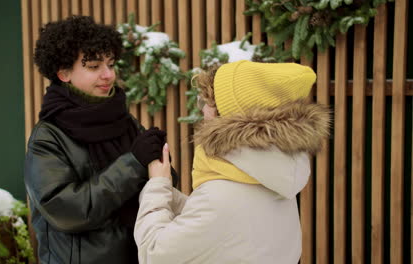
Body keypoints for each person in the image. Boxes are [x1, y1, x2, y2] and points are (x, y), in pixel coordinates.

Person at [135, 60, 331, 263]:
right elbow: (217, 227)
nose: (203, 111)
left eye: (208, 103)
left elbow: (154, 253)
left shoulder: (220, 199)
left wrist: (157, 184)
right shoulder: (273, 178)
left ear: (226, 116)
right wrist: (169, 196)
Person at [24, 15, 176, 264]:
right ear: (64, 73)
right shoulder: (48, 137)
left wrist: (160, 161)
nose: (108, 75)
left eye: (111, 64)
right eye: (94, 67)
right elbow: (67, 211)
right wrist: (134, 163)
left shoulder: (123, 120)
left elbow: (160, 187)